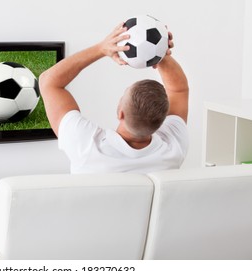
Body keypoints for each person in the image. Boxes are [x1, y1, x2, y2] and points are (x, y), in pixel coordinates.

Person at [39, 23, 189, 174]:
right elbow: (179, 89)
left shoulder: (87, 146)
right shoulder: (173, 148)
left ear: (120, 113)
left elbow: (48, 82)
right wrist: (158, 51)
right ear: (162, 120)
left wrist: (101, 49)